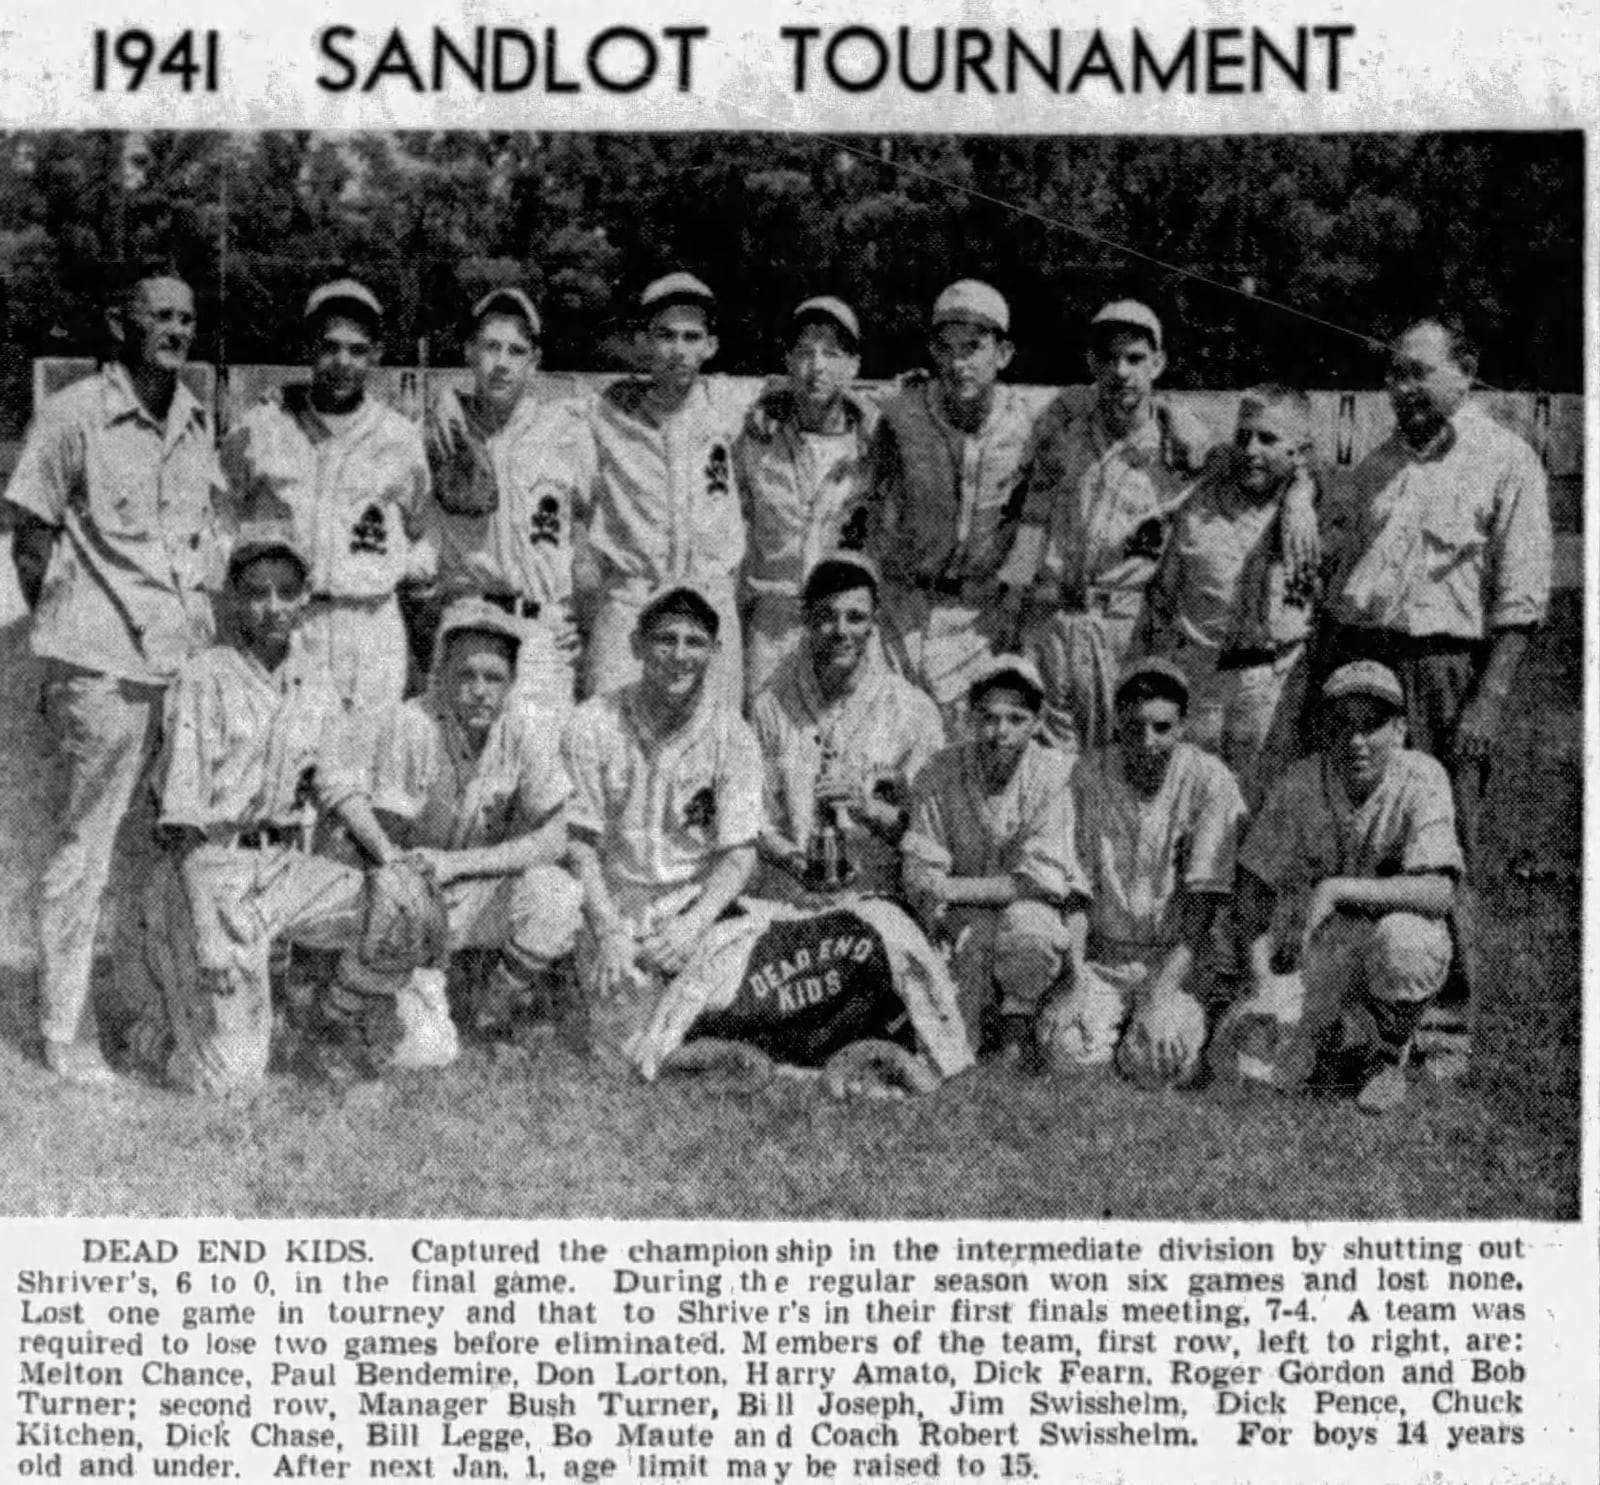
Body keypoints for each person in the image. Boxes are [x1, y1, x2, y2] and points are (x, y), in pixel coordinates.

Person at [3, 261, 223, 1084]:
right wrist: (71, 631)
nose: (175, 331)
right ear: (119, 324)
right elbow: (30, 533)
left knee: (153, 853)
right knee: (85, 847)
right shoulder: (75, 414)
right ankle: (64, 1029)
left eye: (187, 319)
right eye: (159, 315)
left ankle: (134, 1008)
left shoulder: (196, 420)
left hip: (176, 669)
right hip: (98, 669)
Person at [1319, 317, 1552, 1078]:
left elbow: (1521, 601)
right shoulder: (1378, 464)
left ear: (1466, 371)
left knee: (1449, 841)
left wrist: (1488, 701)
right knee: (1368, 834)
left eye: (1418, 371)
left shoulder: (1506, 459)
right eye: (1393, 372)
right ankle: (1371, 1009)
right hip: (1369, 664)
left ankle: (1447, 1020)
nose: (1401, 387)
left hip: (1450, 667)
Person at [128, 522, 435, 1095]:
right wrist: (206, 933)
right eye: (255, 592)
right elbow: (181, 821)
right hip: (210, 872)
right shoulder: (204, 677)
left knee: (399, 914)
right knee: (231, 1083)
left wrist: (389, 858)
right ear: (234, 599)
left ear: (304, 598)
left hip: (283, 867)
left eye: (285, 591)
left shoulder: (313, 680)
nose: (271, 606)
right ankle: (163, 1033)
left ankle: (326, 1027)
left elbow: (339, 787)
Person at [1213, 662, 1462, 1114]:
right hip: (1316, 951)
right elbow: (1253, 883)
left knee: (1406, 943)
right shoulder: (1301, 782)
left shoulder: (1423, 777)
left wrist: (1336, 889)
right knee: (1249, 1068)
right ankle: (1342, 1040)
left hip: (1382, 944)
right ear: (1324, 729)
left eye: (1373, 726)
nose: (1357, 741)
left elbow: (1439, 891)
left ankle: (1385, 1054)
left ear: (1401, 729)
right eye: (1342, 725)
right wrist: (1259, 975)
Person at [364, 598, 584, 1050]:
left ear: (512, 683)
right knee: (424, 1053)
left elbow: (558, 834)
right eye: (466, 675)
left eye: (493, 677)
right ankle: (400, 992)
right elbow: (385, 846)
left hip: (472, 885)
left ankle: (495, 1006)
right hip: (408, 899)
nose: (480, 690)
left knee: (556, 893)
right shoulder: (411, 723)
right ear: (441, 676)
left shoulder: (523, 724)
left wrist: (460, 863)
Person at [1006, 300, 1218, 753]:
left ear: (1158, 363)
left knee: (1118, 765)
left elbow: (1265, 470)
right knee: (1042, 767)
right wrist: (1017, 610)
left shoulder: (1182, 448)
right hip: (1052, 621)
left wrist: (1298, 488)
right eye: (1108, 358)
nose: (1121, 371)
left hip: (1124, 628)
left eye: (1135, 358)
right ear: (1091, 363)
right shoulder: (1063, 432)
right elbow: (1033, 521)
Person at [563, 582, 763, 1062]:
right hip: (612, 905)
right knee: (620, 1045)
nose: (679, 655)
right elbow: (577, 843)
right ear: (636, 645)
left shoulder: (732, 734)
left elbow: (740, 852)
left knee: (744, 993)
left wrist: (693, 923)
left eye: (694, 643)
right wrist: (609, 931)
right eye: (665, 640)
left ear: (715, 651)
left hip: (692, 909)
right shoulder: (593, 722)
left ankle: (694, 1037)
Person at [219, 278, 432, 712]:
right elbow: (219, 520)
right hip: (289, 623)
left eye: (357, 350)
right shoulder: (262, 427)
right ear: (307, 348)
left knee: (366, 770)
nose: (342, 362)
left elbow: (422, 532)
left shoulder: (400, 438)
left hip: (370, 626)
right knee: (283, 766)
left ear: (376, 354)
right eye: (329, 346)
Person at [1038, 658, 1246, 1088]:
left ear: (1183, 725)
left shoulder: (1210, 780)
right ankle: (1108, 1028)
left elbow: (1203, 908)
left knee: (1161, 1064)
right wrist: (1075, 976)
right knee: (1066, 1055)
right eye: (1133, 728)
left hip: (1178, 961)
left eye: (1162, 728)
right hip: (1105, 957)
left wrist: (1160, 993)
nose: (1146, 741)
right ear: (1118, 724)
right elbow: (1075, 890)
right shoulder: (1088, 773)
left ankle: (1151, 1030)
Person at [870, 280, 1042, 725]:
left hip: (978, 618)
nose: (958, 363)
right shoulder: (899, 415)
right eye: (945, 348)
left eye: (973, 347)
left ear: (1002, 354)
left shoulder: (1028, 423)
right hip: (902, 607)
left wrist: (1169, 414)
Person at [1139, 385, 1319, 805]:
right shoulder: (1200, 501)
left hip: (1269, 680)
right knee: (1190, 802)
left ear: (1300, 452)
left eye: (1268, 439)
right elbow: (1163, 597)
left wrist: (1302, 492)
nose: (1251, 449)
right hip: (1200, 677)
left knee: (1259, 807)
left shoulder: (1314, 510)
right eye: (1243, 436)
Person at [420, 286, 595, 710]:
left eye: (516, 351)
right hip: (468, 621)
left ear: (534, 362)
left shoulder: (567, 431)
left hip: (542, 628)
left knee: (543, 769)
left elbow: (590, 532)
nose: (502, 364)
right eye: (491, 347)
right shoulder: (438, 433)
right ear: (468, 352)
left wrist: (585, 622)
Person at [903, 656, 1085, 1061]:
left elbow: (1040, 881)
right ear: (970, 717)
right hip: (959, 921)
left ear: (1038, 722)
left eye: (1016, 719)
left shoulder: (1055, 774)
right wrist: (931, 913)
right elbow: (921, 869)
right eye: (988, 717)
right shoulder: (940, 769)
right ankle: (979, 1021)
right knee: (948, 1050)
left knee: (1031, 929)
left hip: (1028, 916)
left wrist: (948, 886)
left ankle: (1017, 1026)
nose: (999, 732)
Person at [584, 273, 747, 704]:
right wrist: (452, 401)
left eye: (692, 337)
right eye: (665, 336)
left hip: (708, 595)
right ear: (643, 342)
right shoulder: (603, 412)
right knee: (604, 733)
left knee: (717, 739)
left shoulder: (735, 407)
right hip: (632, 597)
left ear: (711, 346)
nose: (679, 350)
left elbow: (813, 400)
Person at [752, 553, 944, 904]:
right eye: (827, 617)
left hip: (877, 897)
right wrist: (798, 863)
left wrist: (869, 809)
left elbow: (931, 833)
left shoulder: (913, 710)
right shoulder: (771, 706)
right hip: (793, 894)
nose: (841, 631)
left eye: (855, 618)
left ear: (874, 622)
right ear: (806, 619)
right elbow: (756, 817)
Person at [737, 296, 878, 698]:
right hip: (775, 622)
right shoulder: (755, 437)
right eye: (804, 352)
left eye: (832, 354)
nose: (816, 366)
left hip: (845, 625)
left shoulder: (877, 446)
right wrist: (767, 399)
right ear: (787, 361)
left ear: (854, 365)